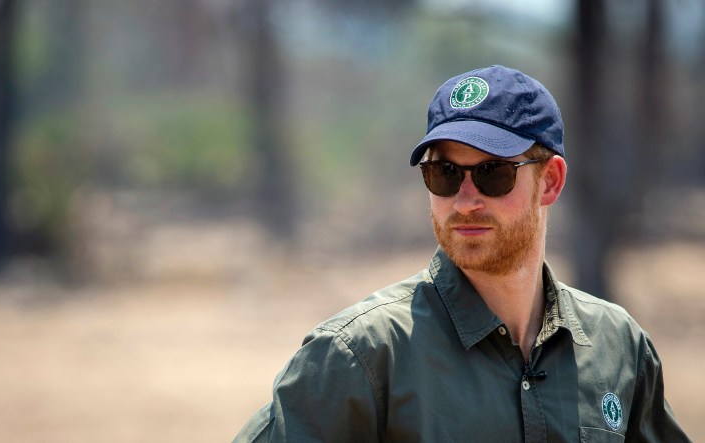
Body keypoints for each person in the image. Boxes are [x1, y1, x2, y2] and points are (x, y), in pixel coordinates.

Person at [233, 65, 690, 442]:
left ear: (549, 181)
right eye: (444, 173)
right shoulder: (359, 356)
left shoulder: (619, 347)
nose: (465, 200)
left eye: (493, 173)